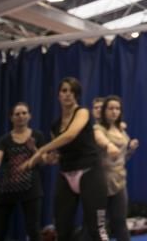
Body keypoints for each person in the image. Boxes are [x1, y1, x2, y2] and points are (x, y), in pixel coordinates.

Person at [21, 77, 109, 241]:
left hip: (89, 171)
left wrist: (40, 150)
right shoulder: (55, 126)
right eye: (64, 91)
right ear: (58, 95)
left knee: (96, 228)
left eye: (72, 91)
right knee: (62, 227)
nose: (68, 94)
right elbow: (53, 159)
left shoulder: (82, 112)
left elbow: (70, 135)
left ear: (77, 95)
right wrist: (35, 151)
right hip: (67, 174)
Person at [0, 102, 47, 241]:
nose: (21, 116)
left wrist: (34, 149)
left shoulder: (37, 136)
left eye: (24, 113)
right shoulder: (4, 140)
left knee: (33, 230)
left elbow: (43, 161)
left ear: (30, 116)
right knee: (0, 231)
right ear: (11, 118)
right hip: (7, 189)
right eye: (17, 114)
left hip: (31, 189)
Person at [94, 96, 138, 241]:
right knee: (98, 226)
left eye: (117, 109)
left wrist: (131, 149)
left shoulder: (121, 131)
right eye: (110, 108)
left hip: (119, 181)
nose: (114, 112)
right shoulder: (98, 128)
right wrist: (108, 145)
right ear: (104, 111)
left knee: (120, 223)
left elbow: (123, 158)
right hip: (100, 182)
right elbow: (100, 138)